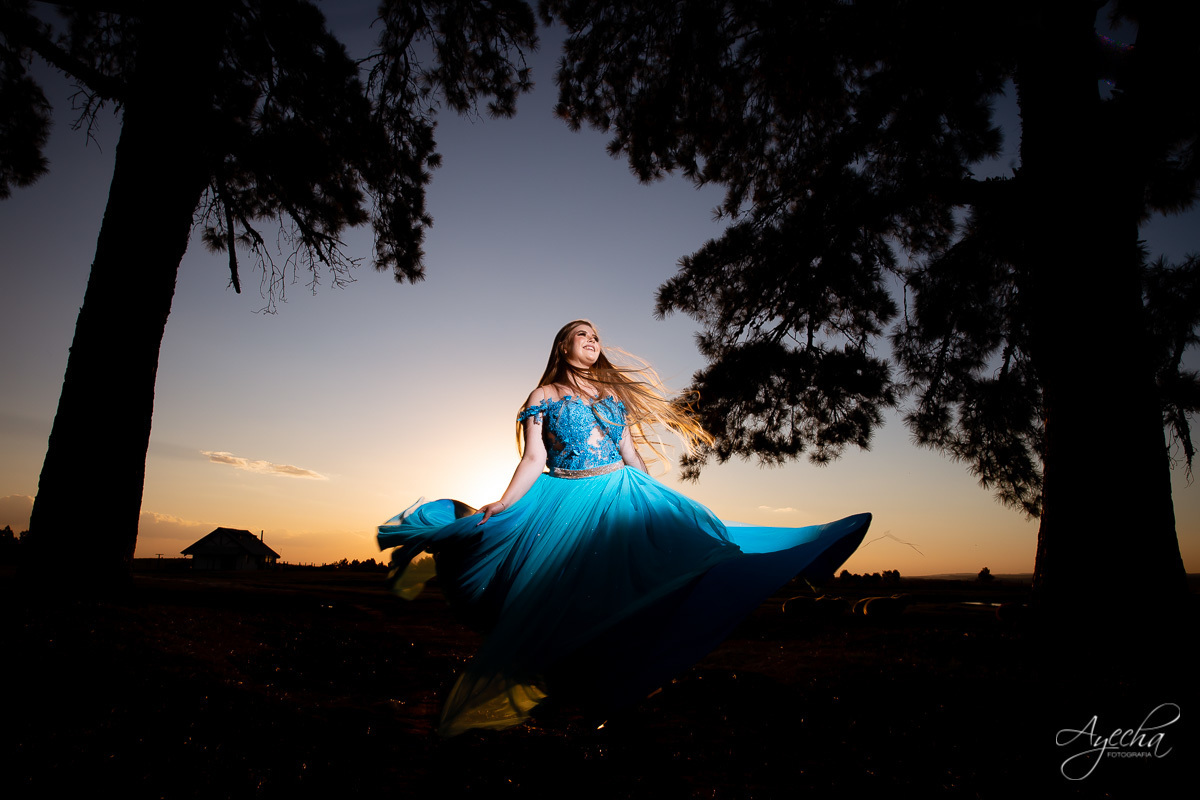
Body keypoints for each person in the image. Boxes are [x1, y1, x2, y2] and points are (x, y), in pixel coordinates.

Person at [378, 319, 871, 737]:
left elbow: (630, 454)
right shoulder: (544, 394)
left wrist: (660, 499)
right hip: (569, 500)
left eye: (596, 336)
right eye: (581, 334)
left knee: (689, 557)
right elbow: (533, 458)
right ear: (562, 347)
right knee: (579, 597)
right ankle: (585, 686)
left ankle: (631, 676)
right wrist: (504, 502)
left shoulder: (612, 394)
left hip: (623, 491)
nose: (592, 341)